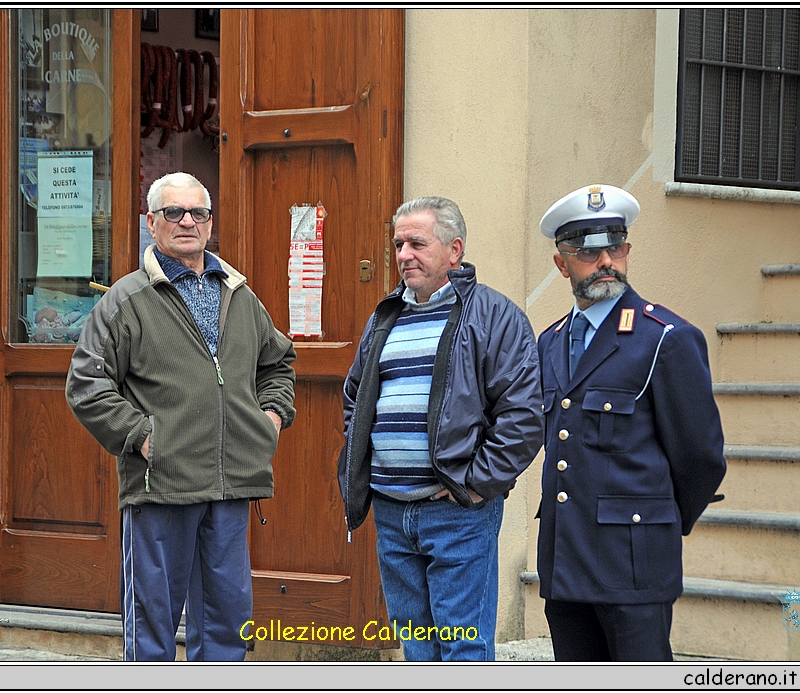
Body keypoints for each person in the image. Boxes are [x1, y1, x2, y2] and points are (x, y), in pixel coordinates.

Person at [65, 172, 296, 661]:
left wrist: (271, 417)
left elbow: (277, 362)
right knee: (151, 625)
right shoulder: (125, 301)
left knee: (228, 623)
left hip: (232, 483)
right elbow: (86, 384)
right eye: (174, 212)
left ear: (210, 223)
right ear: (152, 223)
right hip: (161, 484)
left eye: (198, 213)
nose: (187, 221)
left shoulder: (240, 294)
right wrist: (143, 435)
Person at [337, 196, 544, 661]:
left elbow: (524, 416)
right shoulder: (385, 317)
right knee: (416, 648)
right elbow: (355, 396)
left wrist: (471, 484)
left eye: (416, 243)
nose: (403, 254)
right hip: (391, 512)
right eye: (398, 244)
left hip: (458, 515)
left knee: (462, 649)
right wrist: (365, 456)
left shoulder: (494, 316)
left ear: (455, 250)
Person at [534, 184, 726, 661]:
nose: (606, 262)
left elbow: (700, 458)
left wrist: (655, 522)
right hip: (566, 562)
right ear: (562, 263)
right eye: (588, 252)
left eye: (615, 248)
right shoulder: (551, 342)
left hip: (634, 565)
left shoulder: (666, 338)